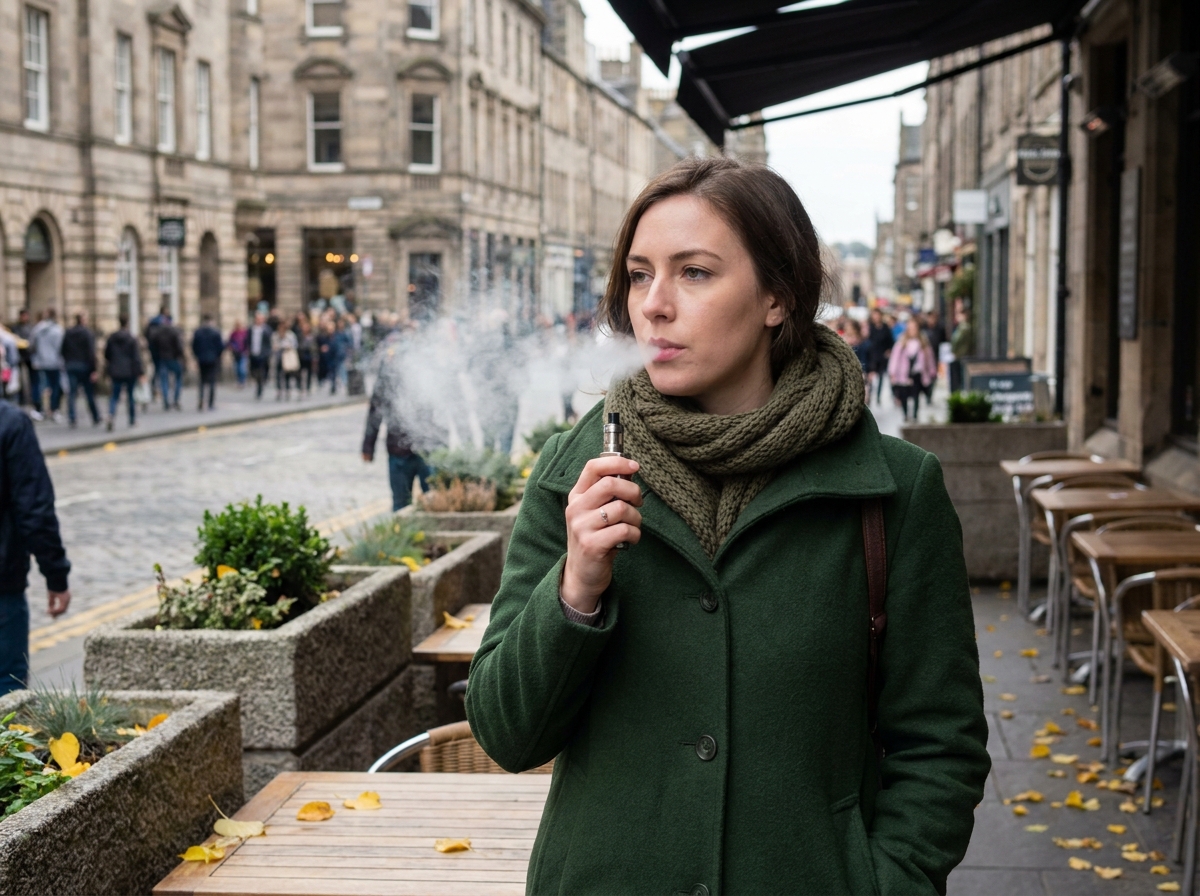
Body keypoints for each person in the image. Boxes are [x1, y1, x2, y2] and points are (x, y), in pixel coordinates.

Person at [465, 157, 988, 895]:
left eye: (695, 272)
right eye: (640, 275)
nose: (654, 304)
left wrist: (883, 882)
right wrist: (575, 587)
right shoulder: (575, 468)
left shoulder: (896, 489)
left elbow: (941, 743)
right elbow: (505, 733)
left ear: (777, 295)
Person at [0, 400, 71, 696]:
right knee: (7, 691)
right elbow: (34, 509)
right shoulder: (10, 423)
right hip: (3, 589)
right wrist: (56, 575)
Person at [888, 317, 937, 421]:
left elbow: (930, 358)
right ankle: (906, 414)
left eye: (914, 328)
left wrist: (932, 371)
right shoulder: (901, 343)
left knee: (916, 394)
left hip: (917, 373)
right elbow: (894, 359)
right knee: (904, 395)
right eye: (910, 328)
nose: (912, 330)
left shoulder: (923, 343)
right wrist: (892, 372)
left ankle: (915, 415)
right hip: (903, 374)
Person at [61, 313, 101, 427]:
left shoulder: (68, 332)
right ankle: (95, 416)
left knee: (72, 393)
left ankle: (72, 418)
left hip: (71, 366)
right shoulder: (87, 333)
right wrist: (94, 369)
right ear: (82, 320)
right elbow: (91, 353)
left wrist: (67, 361)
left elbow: (63, 350)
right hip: (85, 367)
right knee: (89, 393)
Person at [104, 314, 143, 430]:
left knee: (114, 396)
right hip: (130, 371)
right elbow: (136, 357)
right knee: (130, 396)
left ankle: (111, 415)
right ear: (127, 323)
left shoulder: (112, 338)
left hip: (116, 370)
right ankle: (132, 420)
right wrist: (140, 372)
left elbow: (107, 354)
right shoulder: (131, 338)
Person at [29, 309, 65, 422]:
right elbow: (61, 347)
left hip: (39, 362)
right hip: (54, 362)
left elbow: (31, 345)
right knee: (54, 387)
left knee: (39, 386)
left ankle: (39, 410)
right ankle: (54, 410)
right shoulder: (58, 330)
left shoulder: (37, 329)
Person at [149, 312, 184, 410]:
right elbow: (179, 347)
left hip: (162, 359)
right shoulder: (174, 331)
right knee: (178, 378)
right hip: (173, 358)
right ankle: (176, 400)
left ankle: (166, 401)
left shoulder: (157, 332)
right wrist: (179, 356)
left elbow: (153, 346)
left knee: (164, 380)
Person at [192, 314, 224, 411]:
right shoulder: (215, 332)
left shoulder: (198, 332)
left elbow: (194, 346)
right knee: (212, 381)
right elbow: (220, 346)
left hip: (201, 359)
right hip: (213, 359)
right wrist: (217, 356)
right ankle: (210, 403)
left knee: (202, 381)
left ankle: (201, 400)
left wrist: (197, 356)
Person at [866, 307, 893, 406]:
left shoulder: (885, 328)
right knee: (871, 377)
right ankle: (870, 395)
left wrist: (889, 350)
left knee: (881, 377)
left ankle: (878, 396)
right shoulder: (870, 327)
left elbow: (890, 341)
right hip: (872, 356)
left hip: (882, 356)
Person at [949, 307, 975, 394]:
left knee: (960, 377)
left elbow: (957, 341)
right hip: (960, 355)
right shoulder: (961, 327)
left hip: (961, 355)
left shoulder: (965, 328)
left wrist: (955, 351)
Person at [273, 321, 301, 400]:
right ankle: (279, 391)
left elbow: (295, 345)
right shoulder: (275, 335)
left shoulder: (290, 335)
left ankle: (288, 391)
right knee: (278, 375)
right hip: (279, 358)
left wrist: (288, 346)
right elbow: (273, 345)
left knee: (287, 375)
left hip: (287, 358)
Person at [248, 312, 272, 399]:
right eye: (257, 318)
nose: (258, 320)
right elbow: (248, 340)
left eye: (260, 319)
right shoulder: (251, 329)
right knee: (253, 372)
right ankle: (259, 382)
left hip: (263, 354)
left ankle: (260, 388)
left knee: (261, 372)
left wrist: (268, 353)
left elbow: (269, 342)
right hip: (253, 354)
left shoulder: (267, 329)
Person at [227, 320, 249, 388]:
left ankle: (242, 381)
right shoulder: (233, 333)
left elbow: (247, 342)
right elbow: (230, 342)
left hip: (243, 352)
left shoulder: (244, 333)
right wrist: (231, 347)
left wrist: (247, 350)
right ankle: (239, 381)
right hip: (236, 353)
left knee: (242, 368)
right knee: (236, 368)